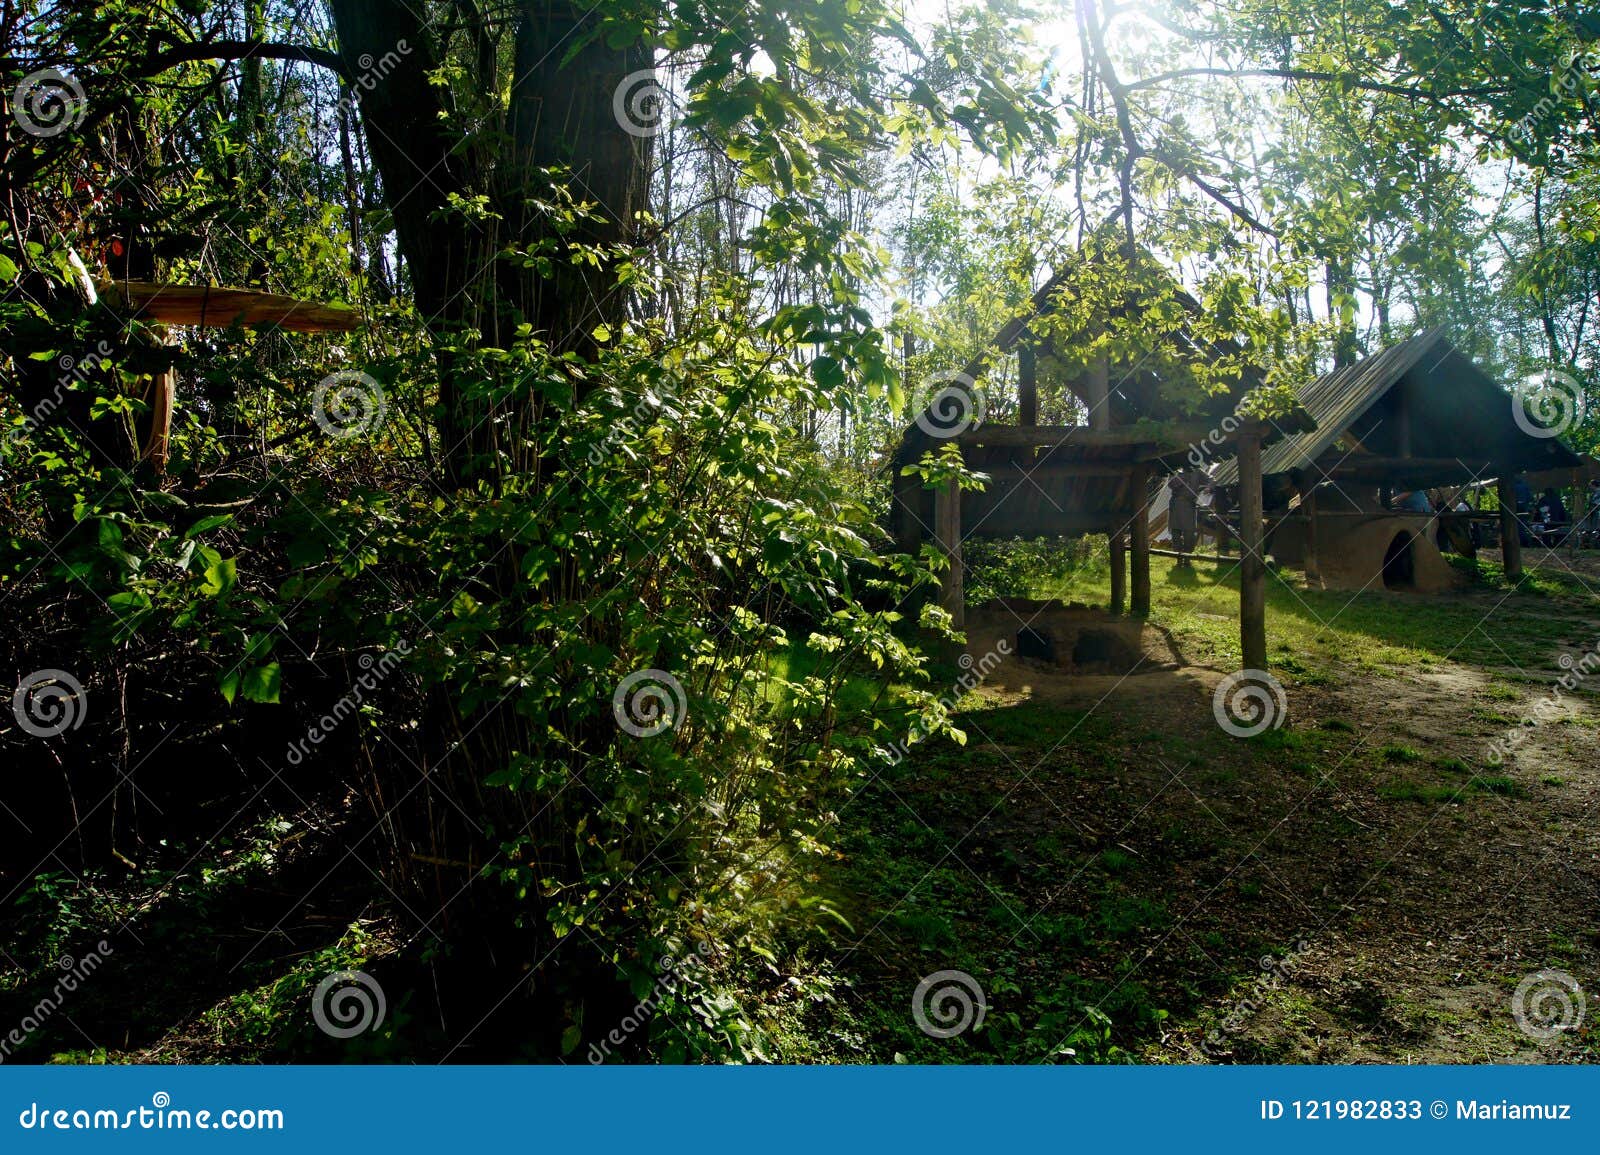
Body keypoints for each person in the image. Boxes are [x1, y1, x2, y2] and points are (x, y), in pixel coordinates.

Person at [1167, 466, 1207, 565]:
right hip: (1176, 505)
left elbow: (1212, 480)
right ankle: (1179, 559)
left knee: (1189, 534)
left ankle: (1188, 559)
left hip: (1189, 506)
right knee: (1176, 534)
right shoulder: (1176, 470)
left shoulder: (1197, 471)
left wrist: (1208, 487)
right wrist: (1184, 476)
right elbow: (1171, 484)